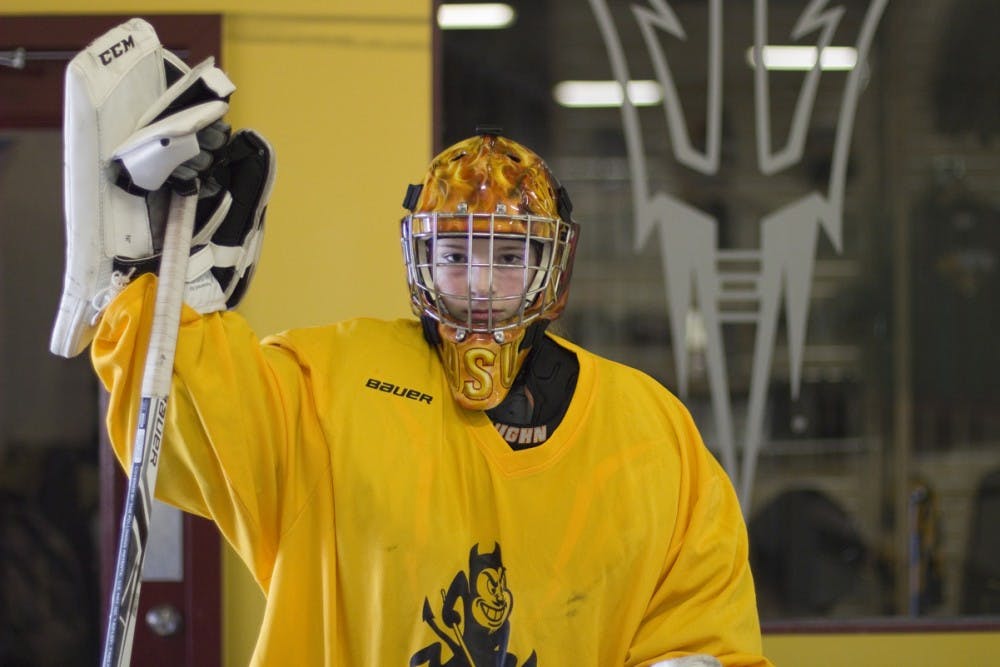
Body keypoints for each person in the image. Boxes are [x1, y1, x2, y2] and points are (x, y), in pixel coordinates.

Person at [57, 21, 772, 666]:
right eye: (457, 254)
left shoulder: (655, 435)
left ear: (553, 264)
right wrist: (158, 293)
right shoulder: (330, 385)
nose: (482, 286)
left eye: (508, 256)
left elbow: (706, 632)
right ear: (420, 259)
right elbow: (191, 418)